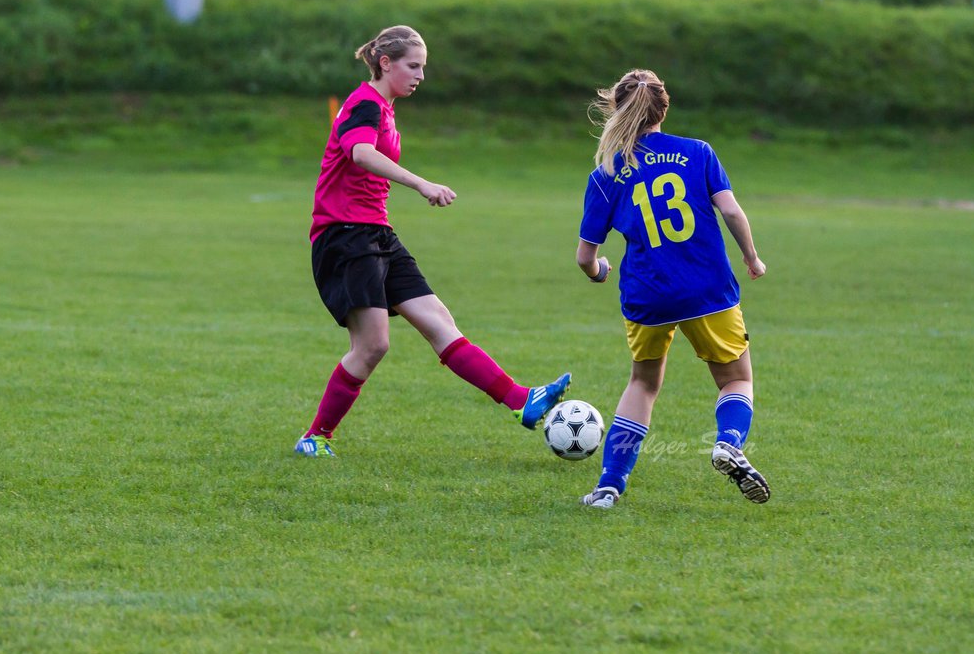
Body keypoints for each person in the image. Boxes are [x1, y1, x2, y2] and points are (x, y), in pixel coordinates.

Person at [295, 25, 570, 457]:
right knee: (372, 345)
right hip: (345, 235)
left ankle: (522, 400)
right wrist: (421, 184)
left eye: (424, 67)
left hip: (376, 233)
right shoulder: (364, 103)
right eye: (413, 66)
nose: (421, 75)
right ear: (386, 63)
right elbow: (360, 154)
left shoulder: (385, 108)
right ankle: (315, 437)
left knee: (440, 321)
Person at [575, 68, 770, 507]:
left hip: (647, 294)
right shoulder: (698, 152)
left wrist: (600, 271)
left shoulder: (606, 172)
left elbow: (586, 257)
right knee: (736, 379)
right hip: (707, 286)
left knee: (642, 385)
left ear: (618, 109)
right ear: (665, 108)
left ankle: (608, 486)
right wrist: (752, 257)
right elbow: (732, 213)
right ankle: (729, 443)